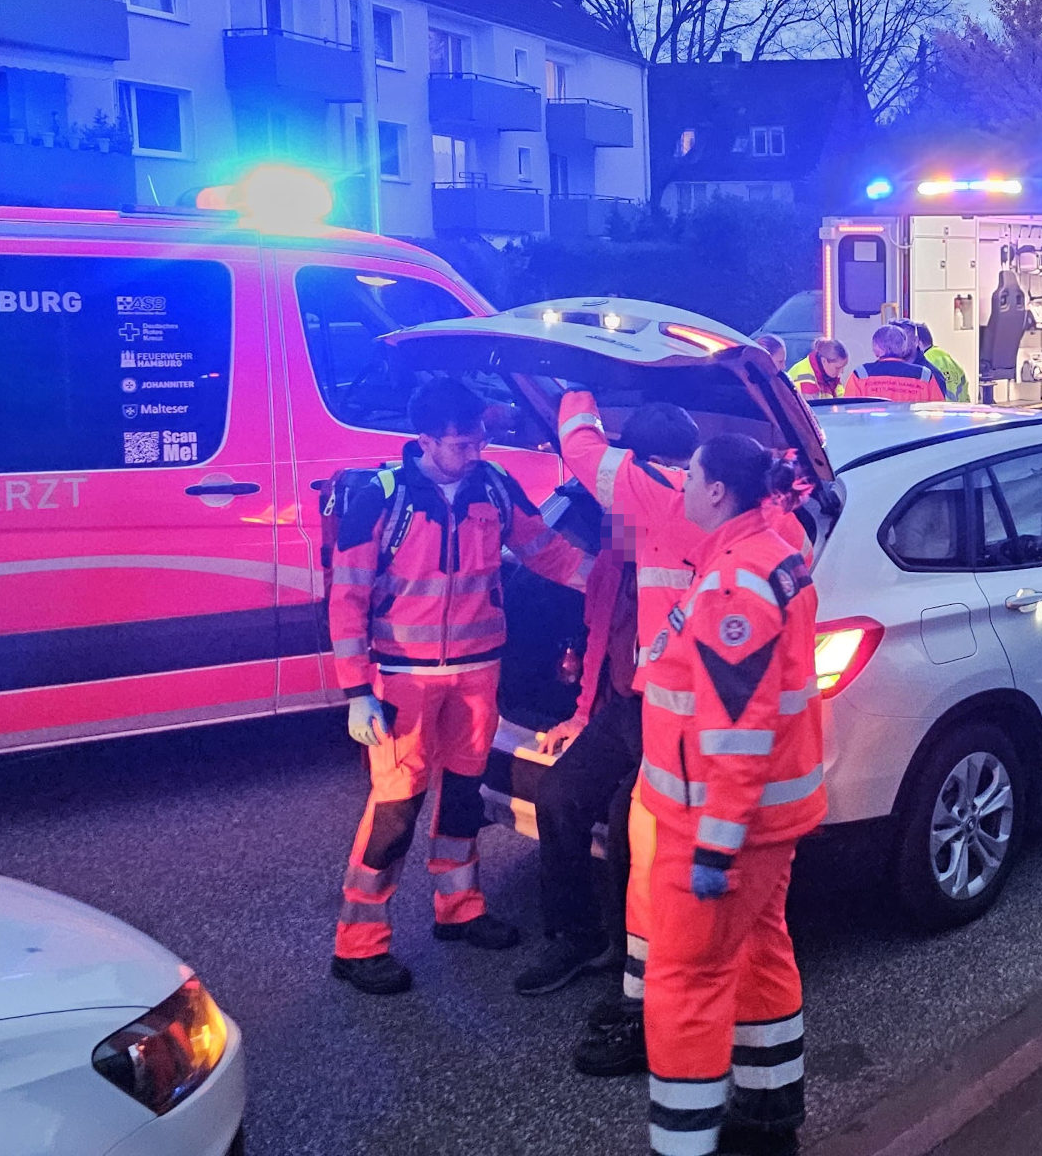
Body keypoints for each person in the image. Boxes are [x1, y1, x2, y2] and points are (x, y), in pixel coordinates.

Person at [328, 378, 590, 995]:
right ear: (423, 441)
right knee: (396, 809)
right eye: (461, 443)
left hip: (478, 669)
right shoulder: (380, 497)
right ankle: (359, 943)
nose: (474, 451)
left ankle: (461, 908)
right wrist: (355, 691)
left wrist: (611, 583)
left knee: (465, 796)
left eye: (478, 439)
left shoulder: (494, 487)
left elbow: (545, 552)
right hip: (401, 679)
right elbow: (348, 597)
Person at [638, 435, 824, 1156]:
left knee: (686, 982)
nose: (680, 483)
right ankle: (771, 1117)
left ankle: (684, 1145)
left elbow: (737, 732)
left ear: (718, 490)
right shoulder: (770, 551)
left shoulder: (731, 583)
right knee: (759, 951)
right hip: (770, 816)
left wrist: (715, 844)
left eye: (689, 473)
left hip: (718, 823)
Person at [513, 398, 703, 1010]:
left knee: (631, 827)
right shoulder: (623, 545)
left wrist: (580, 390)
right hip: (628, 707)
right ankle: (577, 938)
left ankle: (635, 968)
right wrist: (580, 713)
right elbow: (602, 634)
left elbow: (585, 450)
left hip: (679, 716)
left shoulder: (679, 507)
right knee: (560, 796)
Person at [843, 323, 946, 401]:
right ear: (904, 347)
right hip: (913, 429)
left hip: (873, 430)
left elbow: (850, 413)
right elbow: (936, 415)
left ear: (876, 348)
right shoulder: (924, 375)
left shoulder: (860, 375)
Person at [911, 321, 970, 401]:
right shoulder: (950, 360)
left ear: (918, 343)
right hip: (959, 411)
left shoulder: (924, 364)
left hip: (938, 411)